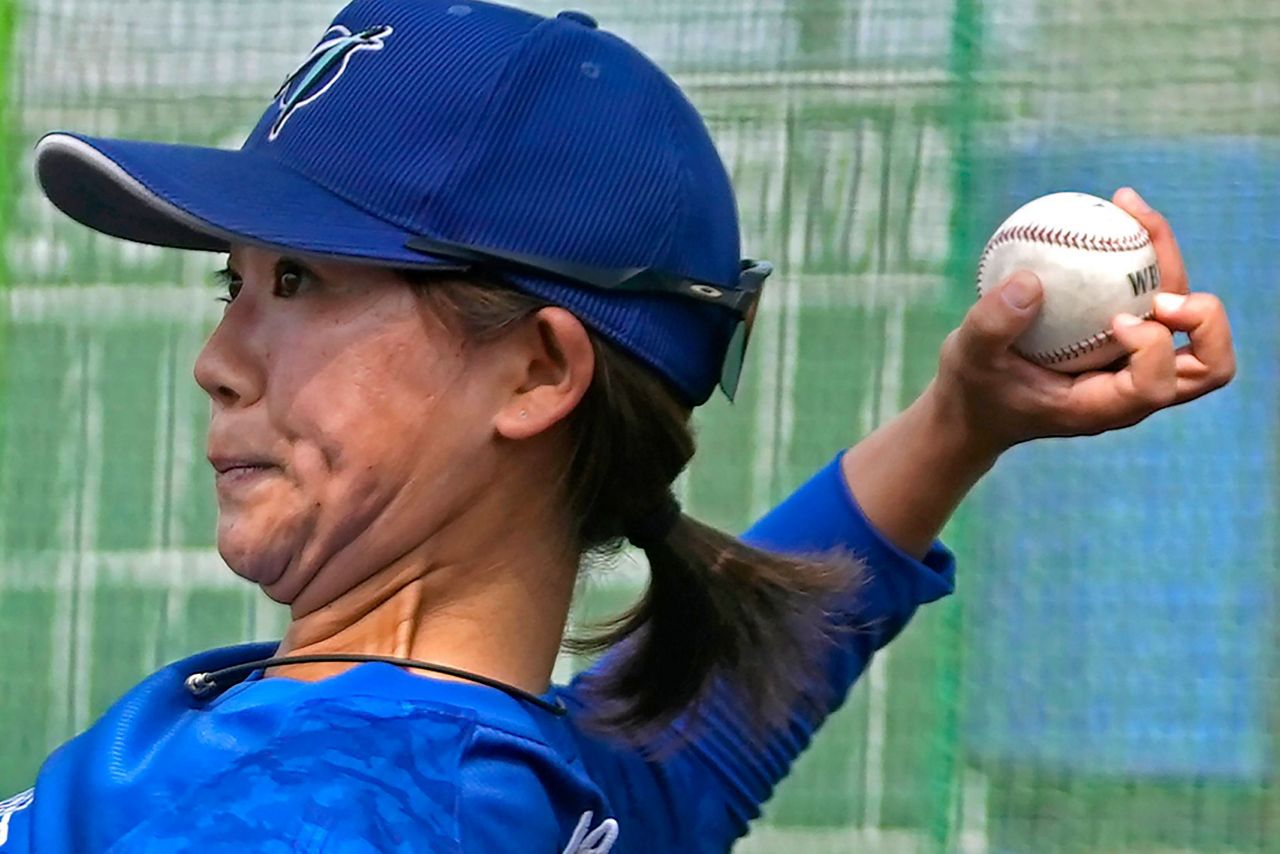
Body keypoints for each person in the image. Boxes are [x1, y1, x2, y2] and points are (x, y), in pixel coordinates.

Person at [6, 0, 1232, 851]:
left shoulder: (341, 813)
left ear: (539, 370)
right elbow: (703, 729)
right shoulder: (535, 784)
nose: (218, 361)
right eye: (237, 282)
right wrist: (961, 423)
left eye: (301, 282)